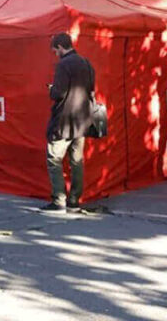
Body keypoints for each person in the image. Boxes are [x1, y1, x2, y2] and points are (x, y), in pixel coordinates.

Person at [40, 33, 95, 213]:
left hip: (63, 120)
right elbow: (91, 89)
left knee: (54, 159)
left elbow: (59, 93)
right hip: (83, 120)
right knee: (76, 161)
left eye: (55, 51)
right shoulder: (86, 63)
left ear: (61, 47)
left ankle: (58, 200)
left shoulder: (63, 65)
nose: (55, 54)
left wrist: (51, 90)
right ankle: (74, 200)